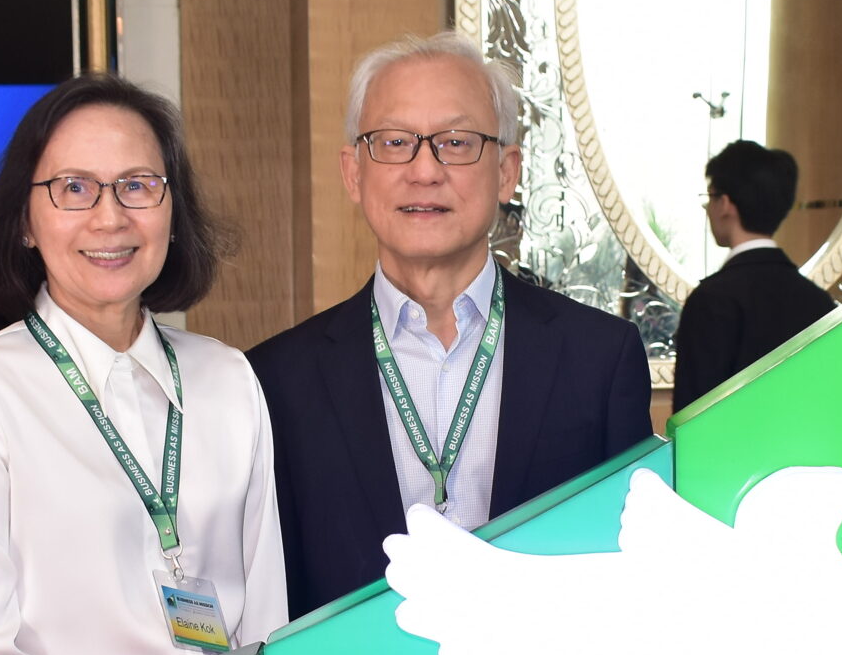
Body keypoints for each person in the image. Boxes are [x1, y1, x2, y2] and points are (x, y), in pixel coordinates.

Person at [0, 76, 287, 655]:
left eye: (138, 185)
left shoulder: (227, 379)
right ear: (25, 222)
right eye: (74, 188)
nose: (110, 218)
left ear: (174, 212)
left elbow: (264, 607)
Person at [249, 31, 653, 616]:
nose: (424, 170)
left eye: (456, 143)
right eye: (394, 142)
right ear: (353, 173)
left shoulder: (599, 358)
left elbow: (629, 571)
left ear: (506, 172)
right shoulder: (278, 379)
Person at [669, 140, 837, 414]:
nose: (708, 209)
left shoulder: (711, 300)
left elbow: (690, 417)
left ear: (725, 204)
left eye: (710, 197)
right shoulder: (818, 301)